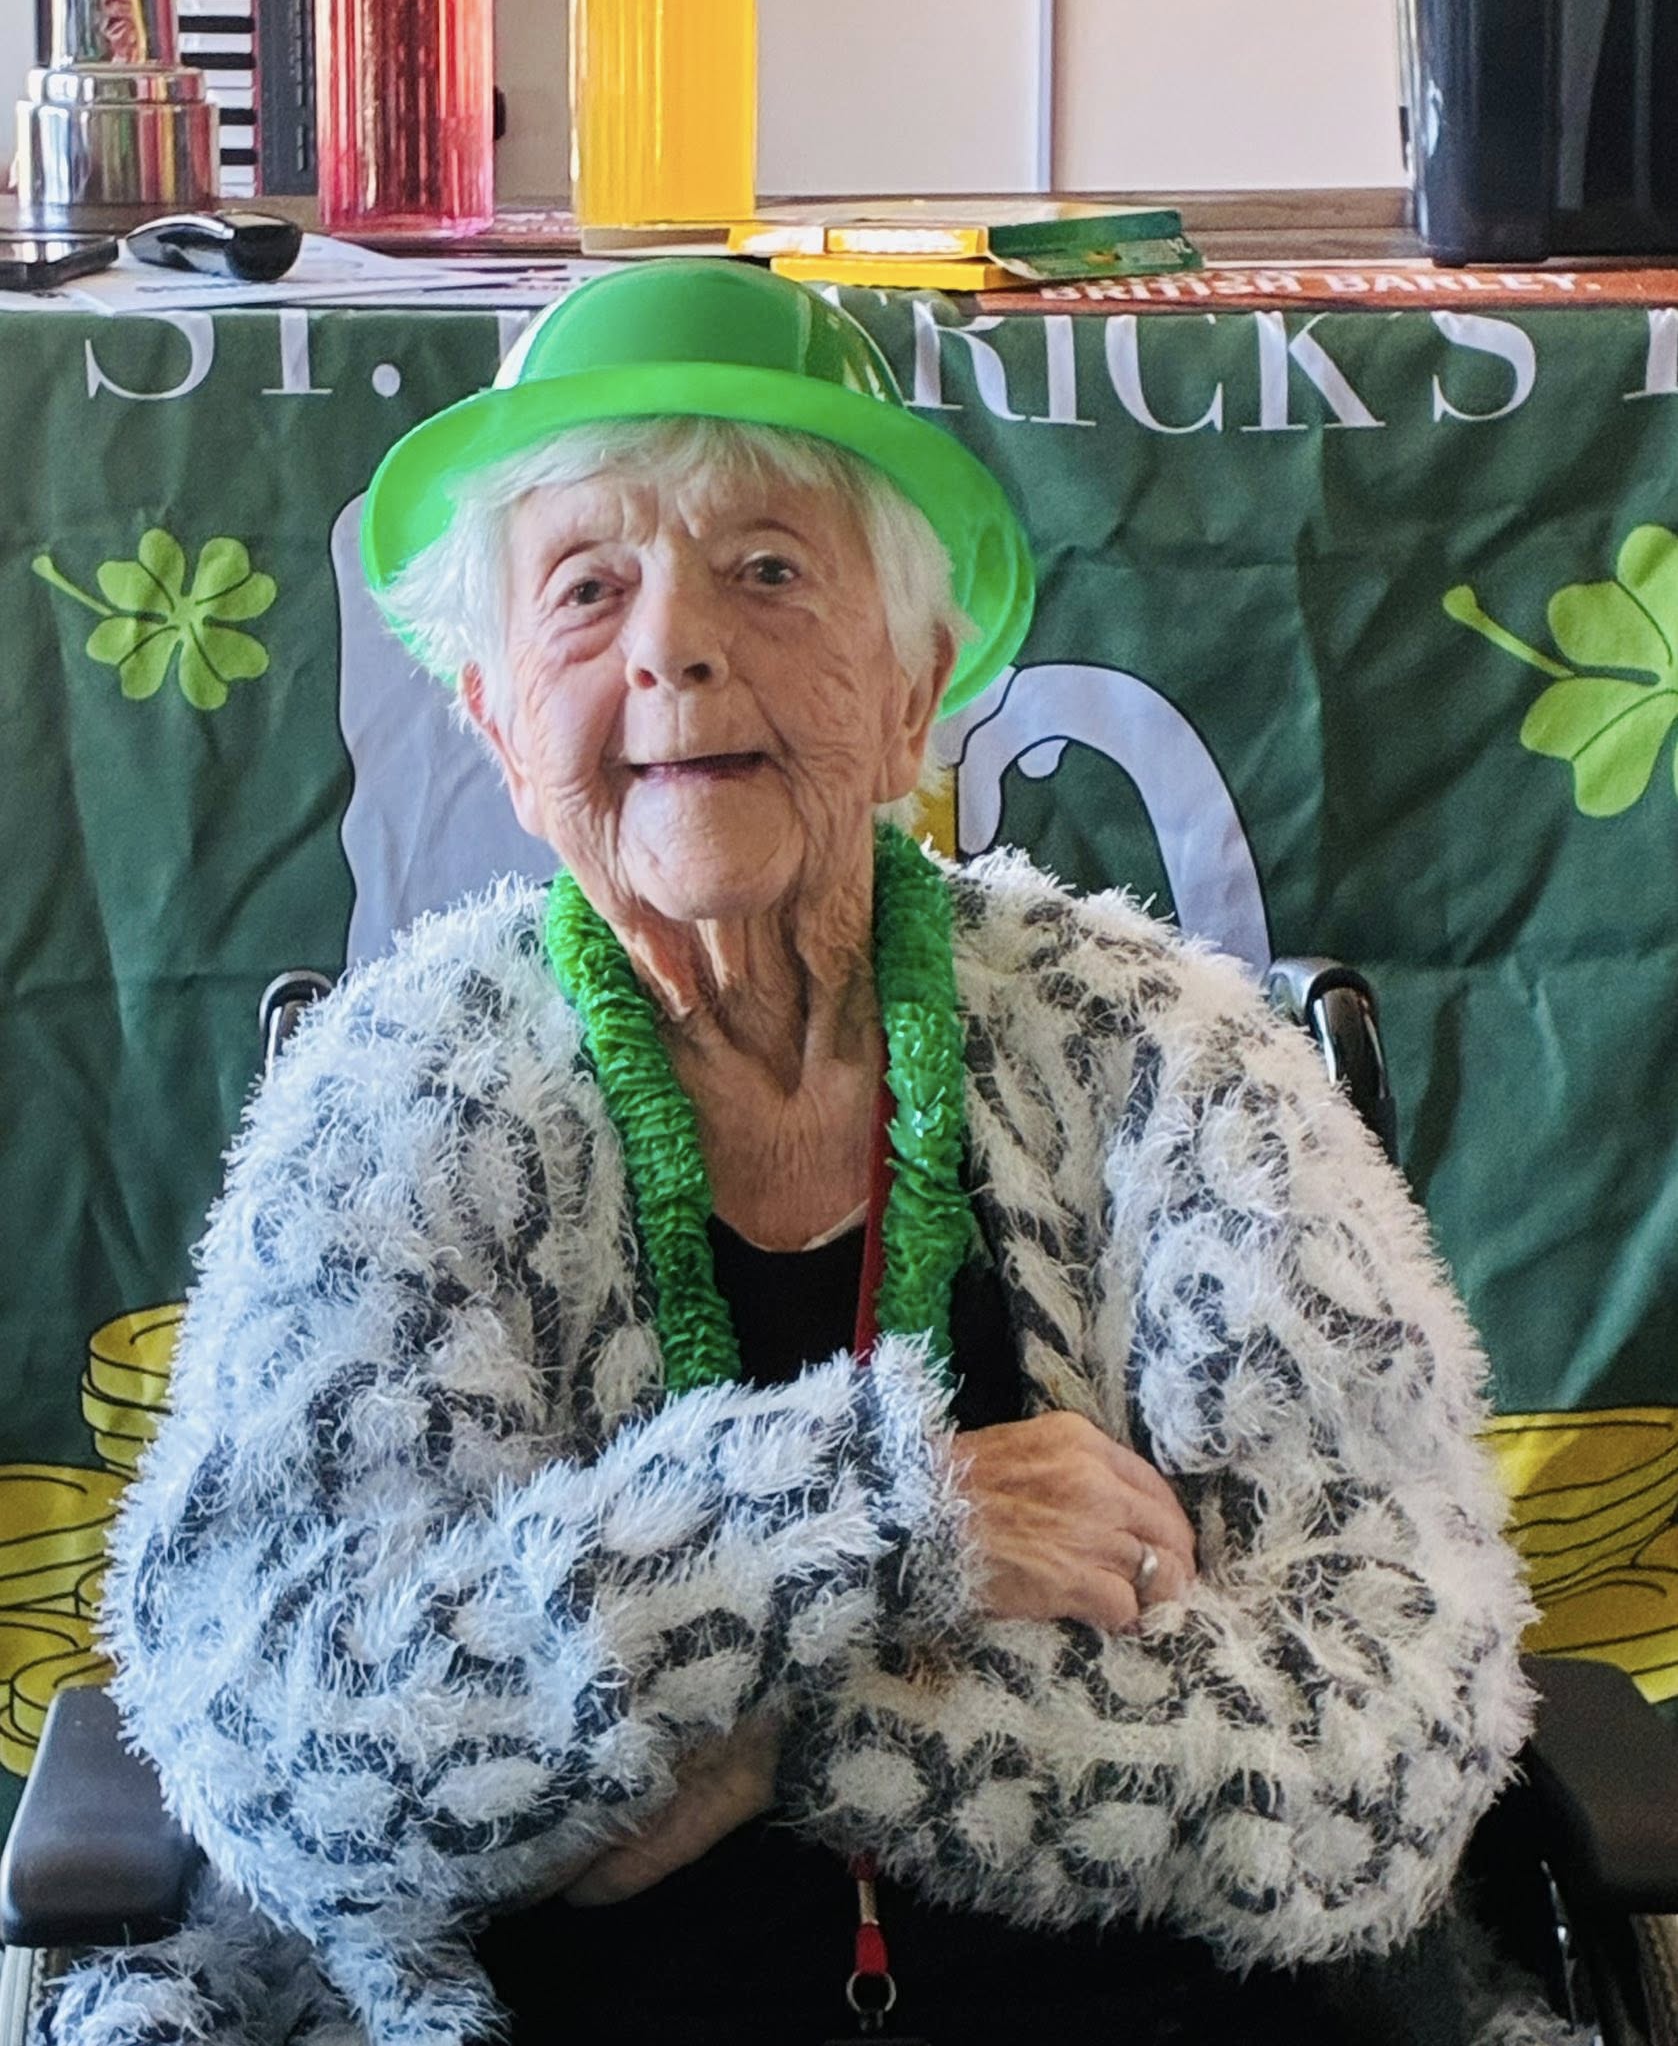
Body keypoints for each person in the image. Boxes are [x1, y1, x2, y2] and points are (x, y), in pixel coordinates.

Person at [48, 263, 1546, 2046]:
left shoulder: (1164, 1056)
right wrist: (886, 1521)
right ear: (500, 724)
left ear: (916, 690)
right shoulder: (395, 1108)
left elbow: (1393, 1728)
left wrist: (775, 1739)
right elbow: (290, 1745)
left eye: (767, 570)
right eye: (587, 587)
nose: (673, 645)